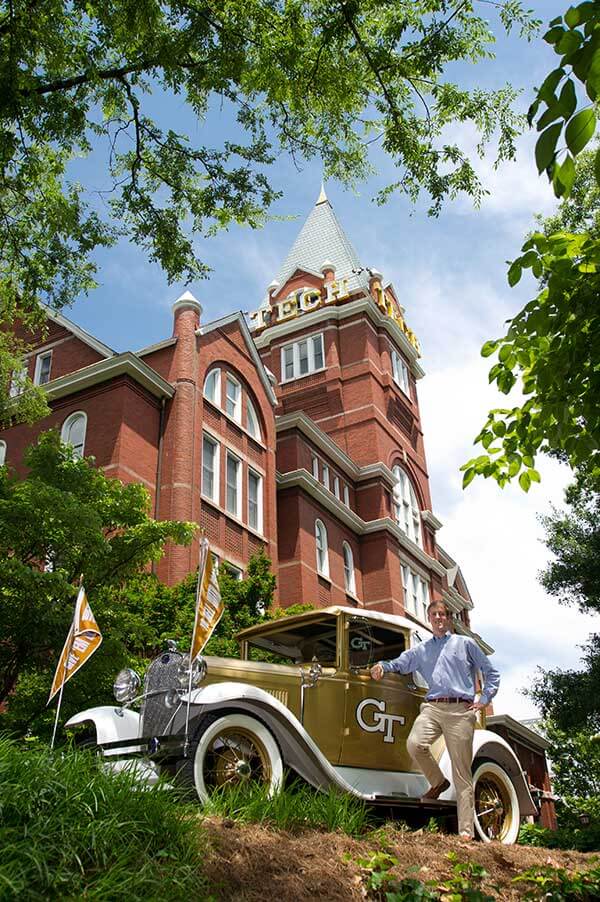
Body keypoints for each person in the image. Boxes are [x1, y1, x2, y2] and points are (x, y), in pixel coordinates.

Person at [370, 599, 500, 841]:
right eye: (435, 614)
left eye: (443, 614)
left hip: (461, 710)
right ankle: (438, 782)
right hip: (433, 707)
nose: (439, 618)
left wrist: (483, 700)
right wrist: (383, 666)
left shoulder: (465, 644)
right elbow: (401, 662)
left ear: (448, 619)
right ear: (429, 619)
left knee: (462, 773)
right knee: (415, 744)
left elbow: (491, 672)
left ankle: (465, 834)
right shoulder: (423, 649)